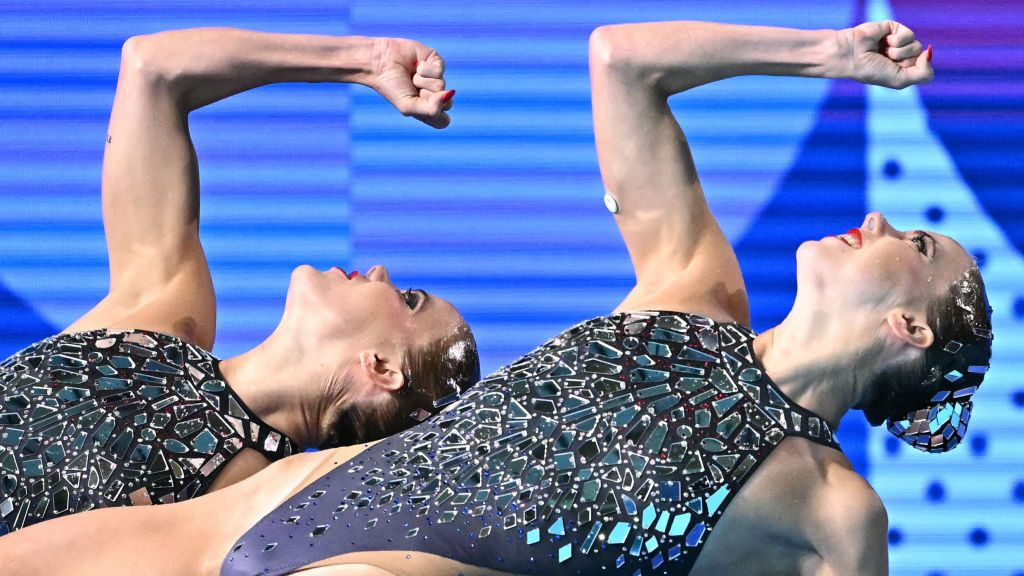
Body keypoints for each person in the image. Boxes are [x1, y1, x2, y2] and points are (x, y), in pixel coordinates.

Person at [0, 18, 993, 576]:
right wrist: (821, 55)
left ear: (908, 329)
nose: (872, 220)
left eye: (914, 242)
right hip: (270, 508)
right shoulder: (692, 295)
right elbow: (622, 59)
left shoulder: (837, 513)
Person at [0, 28, 479, 535]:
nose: (381, 271)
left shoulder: (246, 519)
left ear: (381, 368)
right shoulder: (159, 317)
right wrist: (366, 60)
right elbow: (153, 69)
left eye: (409, 299)